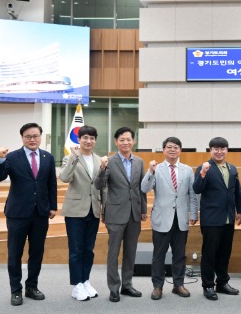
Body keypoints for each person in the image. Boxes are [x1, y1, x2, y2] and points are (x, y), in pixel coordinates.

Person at [0, 122, 57, 306]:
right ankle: (16, 290)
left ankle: (32, 287)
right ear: (22, 138)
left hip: (40, 213)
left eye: (35, 136)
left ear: (40, 137)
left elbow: (51, 183)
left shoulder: (48, 157)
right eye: (28, 136)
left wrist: (52, 206)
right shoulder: (11, 157)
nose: (32, 139)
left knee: (37, 251)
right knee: (15, 253)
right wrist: (0, 158)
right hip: (17, 213)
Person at [94, 127, 147, 303]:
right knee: (113, 253)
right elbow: (99, 185)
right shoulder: (109, 161)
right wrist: (102, 168)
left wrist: (144, 210)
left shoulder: (139, 162)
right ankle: (114, 288)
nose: (125, 142)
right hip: (115, 213)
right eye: (122, 140)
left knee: (131, 252)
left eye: (128, 139)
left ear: (134, 141)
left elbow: (141, 188)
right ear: (116, 142)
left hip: (134, 214)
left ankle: (127, 285)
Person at [141, 136, 198, 300]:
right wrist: (150, 171)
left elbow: (192, 194)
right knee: (158, 255)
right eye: (169, 147)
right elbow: (144, 188)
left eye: (176, 147)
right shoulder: (156, 169)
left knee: (179, 254)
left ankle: (178, 284)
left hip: (181, 219)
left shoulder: (187, 170)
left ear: (180, 150)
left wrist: (193, 213)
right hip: (161, 219)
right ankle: (157, 286)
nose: (172, 150)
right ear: (164, 150)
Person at [193, 137, 241, 301]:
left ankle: (222, 282)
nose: (219, 151)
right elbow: (197, 188)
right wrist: (202, 174)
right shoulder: (205, 167)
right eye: (216, 148)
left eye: (223, 148)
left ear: (227, 150)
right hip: (211, 218)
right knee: (209, 253)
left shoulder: (232, 168)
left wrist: (240, 210)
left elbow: (236, 191)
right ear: (210, 150)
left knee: (224, 253)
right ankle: (208, 285)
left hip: (228, 217)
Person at [60, 125, 104, 302]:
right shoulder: (69, 157)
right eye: (85, 137)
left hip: (93, 209)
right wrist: (74, 157)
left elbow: (101, 185)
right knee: (76, 250)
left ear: (95, 140)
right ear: (79, 139)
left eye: (92, 138)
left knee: (88, 250)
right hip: (75, 210)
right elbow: (64, 178)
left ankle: (85, 280)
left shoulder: (100, 159)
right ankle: (76, 284)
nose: (89, 141)